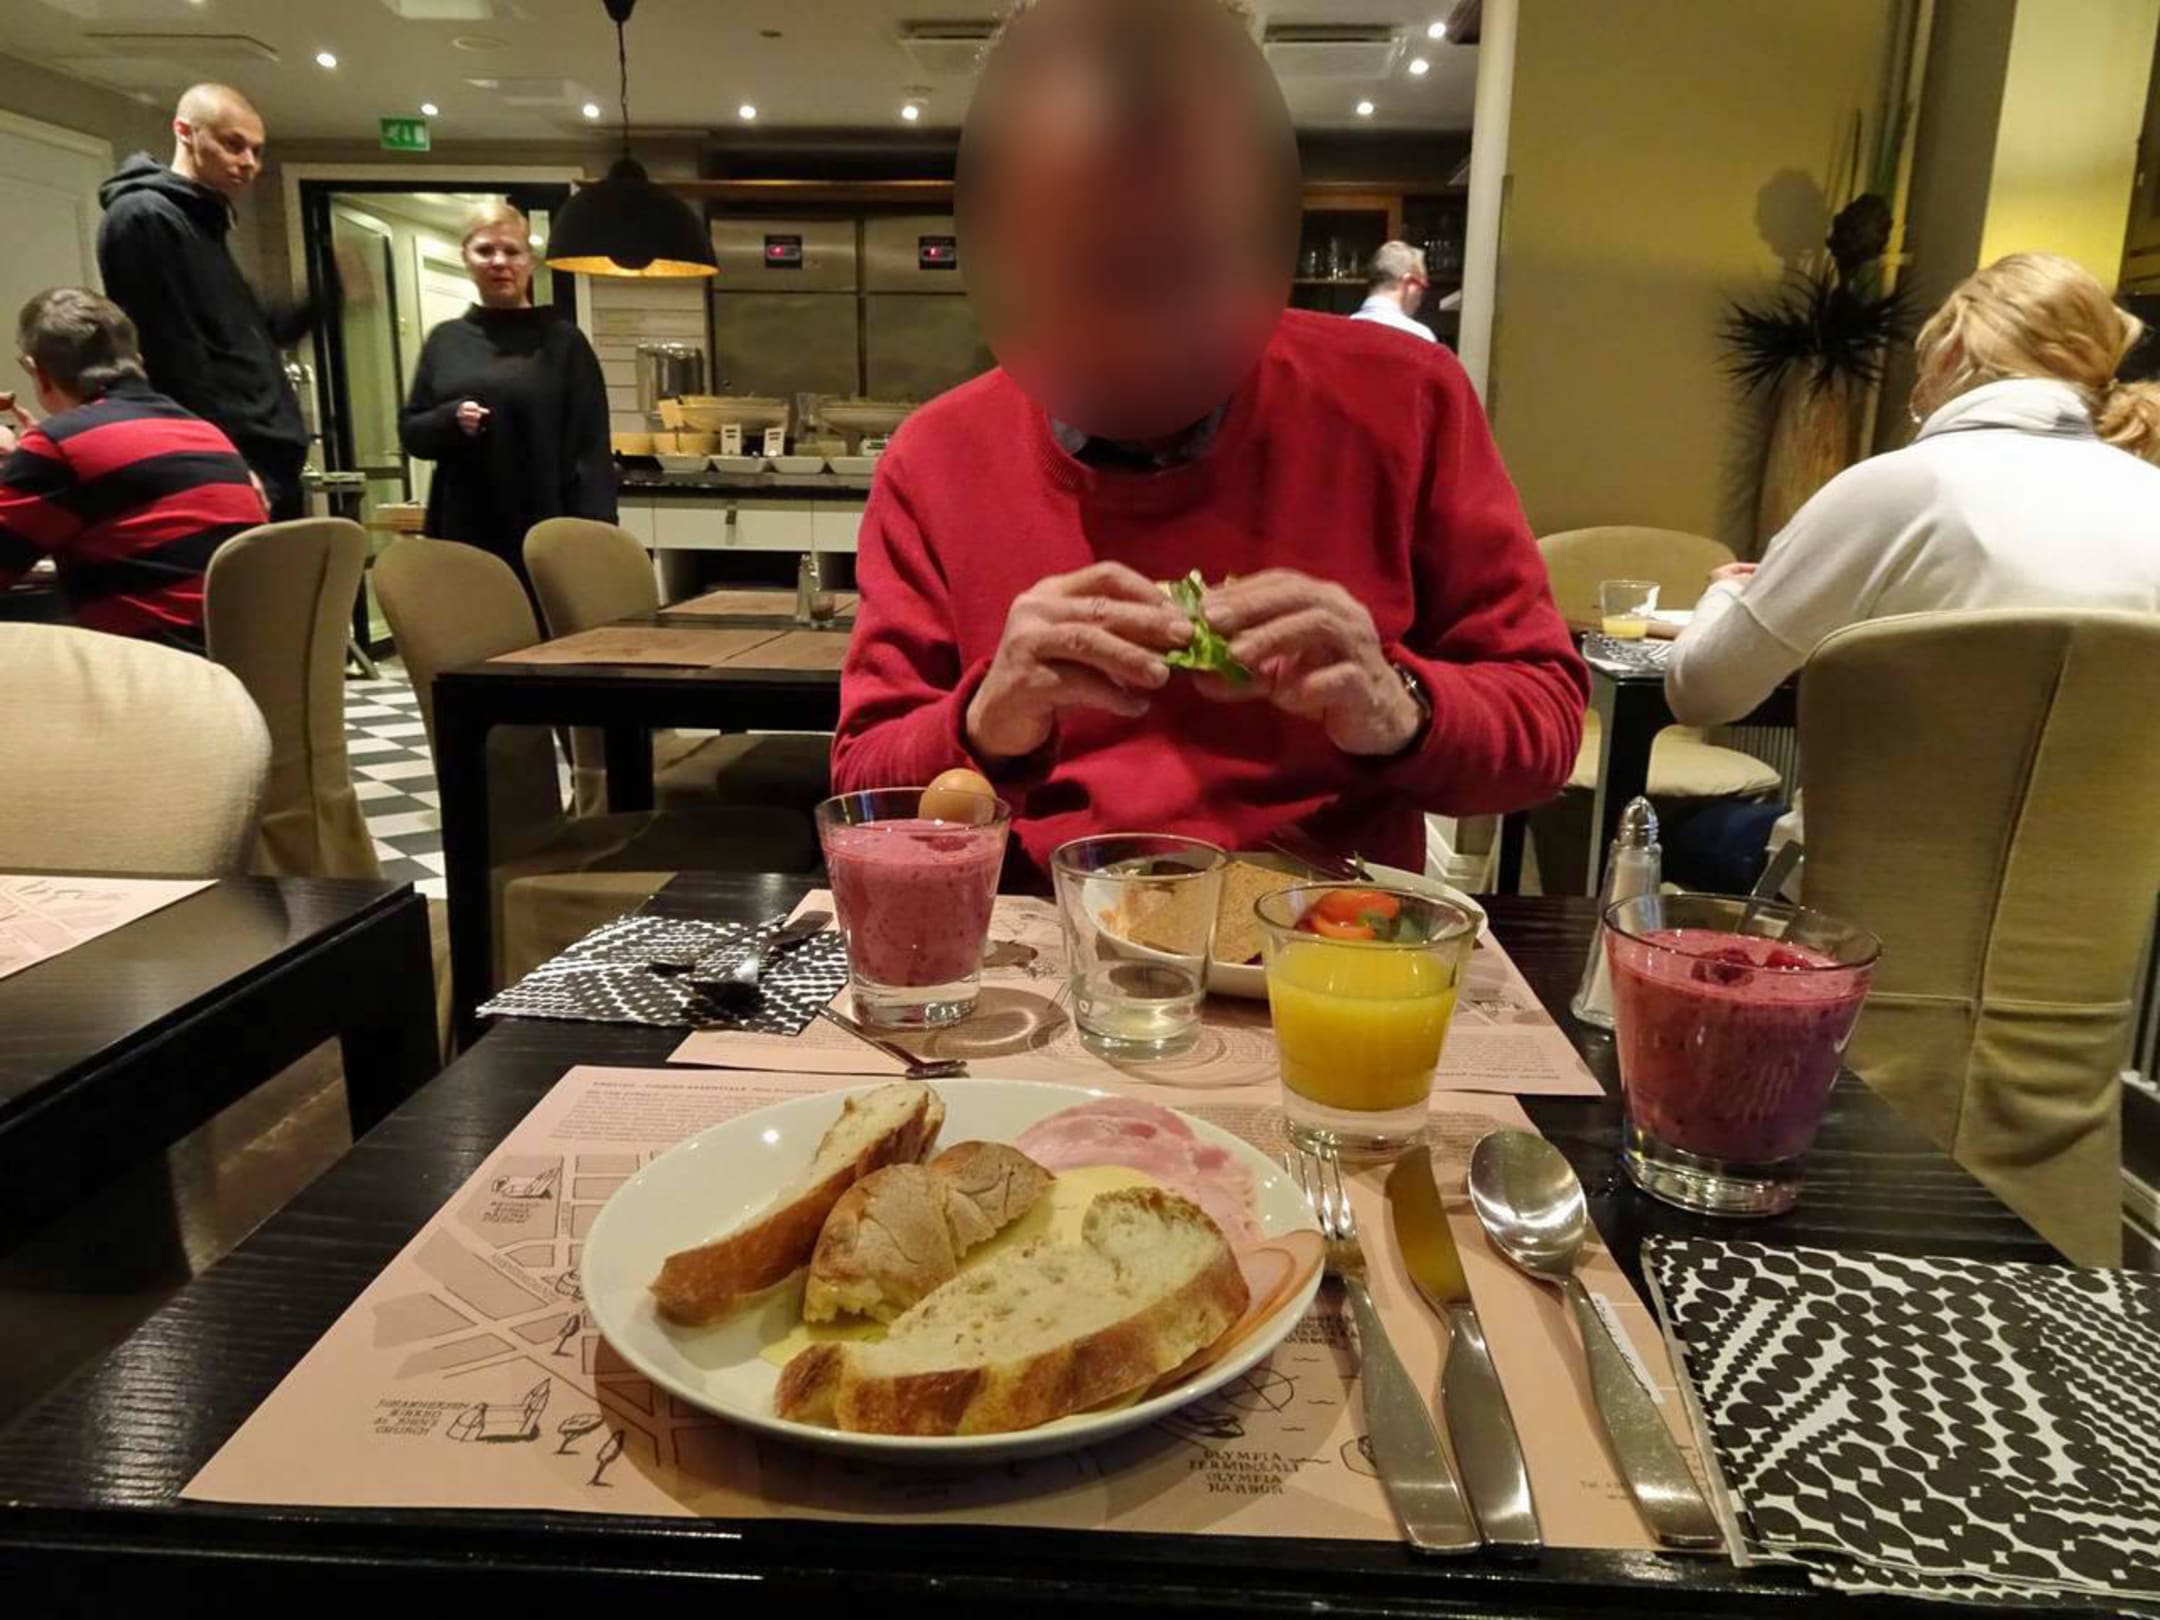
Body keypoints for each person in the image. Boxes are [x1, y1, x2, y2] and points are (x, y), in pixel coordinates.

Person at [833, 0, 1586, 881]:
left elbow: (1545, 728)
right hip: (1041, 931)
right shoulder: (935, 460)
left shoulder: (1409, 400)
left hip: (1332, 933)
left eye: (1184, 258)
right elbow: (864, 786)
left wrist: (1397, 704)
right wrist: (986, 720)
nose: (1145, 331)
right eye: (1096, 266)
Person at [1665, 252, 2160, 729]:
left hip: (1887, 794)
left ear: (1950, 351)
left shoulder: (1892, 488)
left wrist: (1726, 592)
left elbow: (1703, 694)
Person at [96, 84, 325, 521]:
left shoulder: (202, 221)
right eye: (233, 145)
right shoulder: (145, 217)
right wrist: (221, 463)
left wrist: (327, 295)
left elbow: (252, 335)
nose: (248, 162)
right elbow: (170, 358)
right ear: (185, 132)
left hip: (264, 463)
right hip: (232, 467)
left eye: (256, 151)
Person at [0, 289, 268, 652]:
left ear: (38, 372)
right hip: (239, 668)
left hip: (155, 674)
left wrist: (32, 459)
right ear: (137, 361)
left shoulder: (61, 445)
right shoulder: (207, 434)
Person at [398, 201, 616, 588]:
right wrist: (450, 419)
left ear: (529, 260)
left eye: (511, 251)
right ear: (466, 258)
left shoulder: (563, 342)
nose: (499, 262)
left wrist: (597, 536)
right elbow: (412, 432)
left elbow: (590, 450)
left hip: (546, 528)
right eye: (485, 250)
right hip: (463, 529)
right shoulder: (445, 341)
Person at [1350, 241, 1437, 343]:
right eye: (1422, 287)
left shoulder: (1340, 331)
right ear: (1408, 282)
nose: (1421, 299)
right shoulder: (1420, 337)